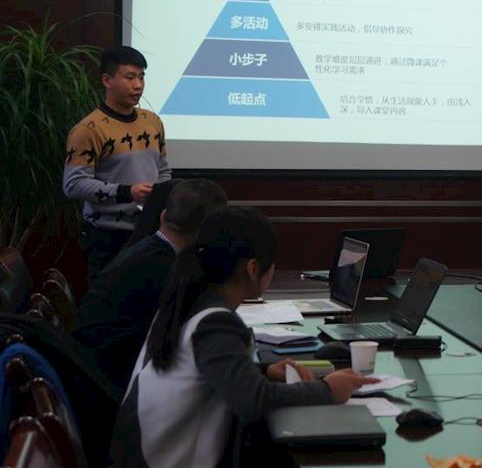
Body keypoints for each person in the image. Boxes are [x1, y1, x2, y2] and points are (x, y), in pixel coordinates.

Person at [108, 207, 377, 468]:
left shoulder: (188, 301)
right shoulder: (215, 322)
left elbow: (204, 371)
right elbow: (253, 401)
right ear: (253, 268)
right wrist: (327, 389)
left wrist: (262, 372)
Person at [73, 178, 228, 390]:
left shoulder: (146, 252)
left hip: (90, 373)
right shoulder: (166, 270)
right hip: (112, 385)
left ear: (163, 215)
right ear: (210, 232)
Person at [63, 45, 171, 280]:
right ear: (107, 80)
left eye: (142, 77)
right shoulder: (88, 129)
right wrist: (126, 192)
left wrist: (160, 199)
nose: (138, 85)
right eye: (129, 77)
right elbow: (73, 184)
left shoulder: (152, 121)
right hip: (107, 237)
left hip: (149, 232)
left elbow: (163, 170)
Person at [123, 179, 179, 249]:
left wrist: (162, 190)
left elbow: (163, 173)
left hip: (153, 221)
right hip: (117, 227)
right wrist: (125, 191)